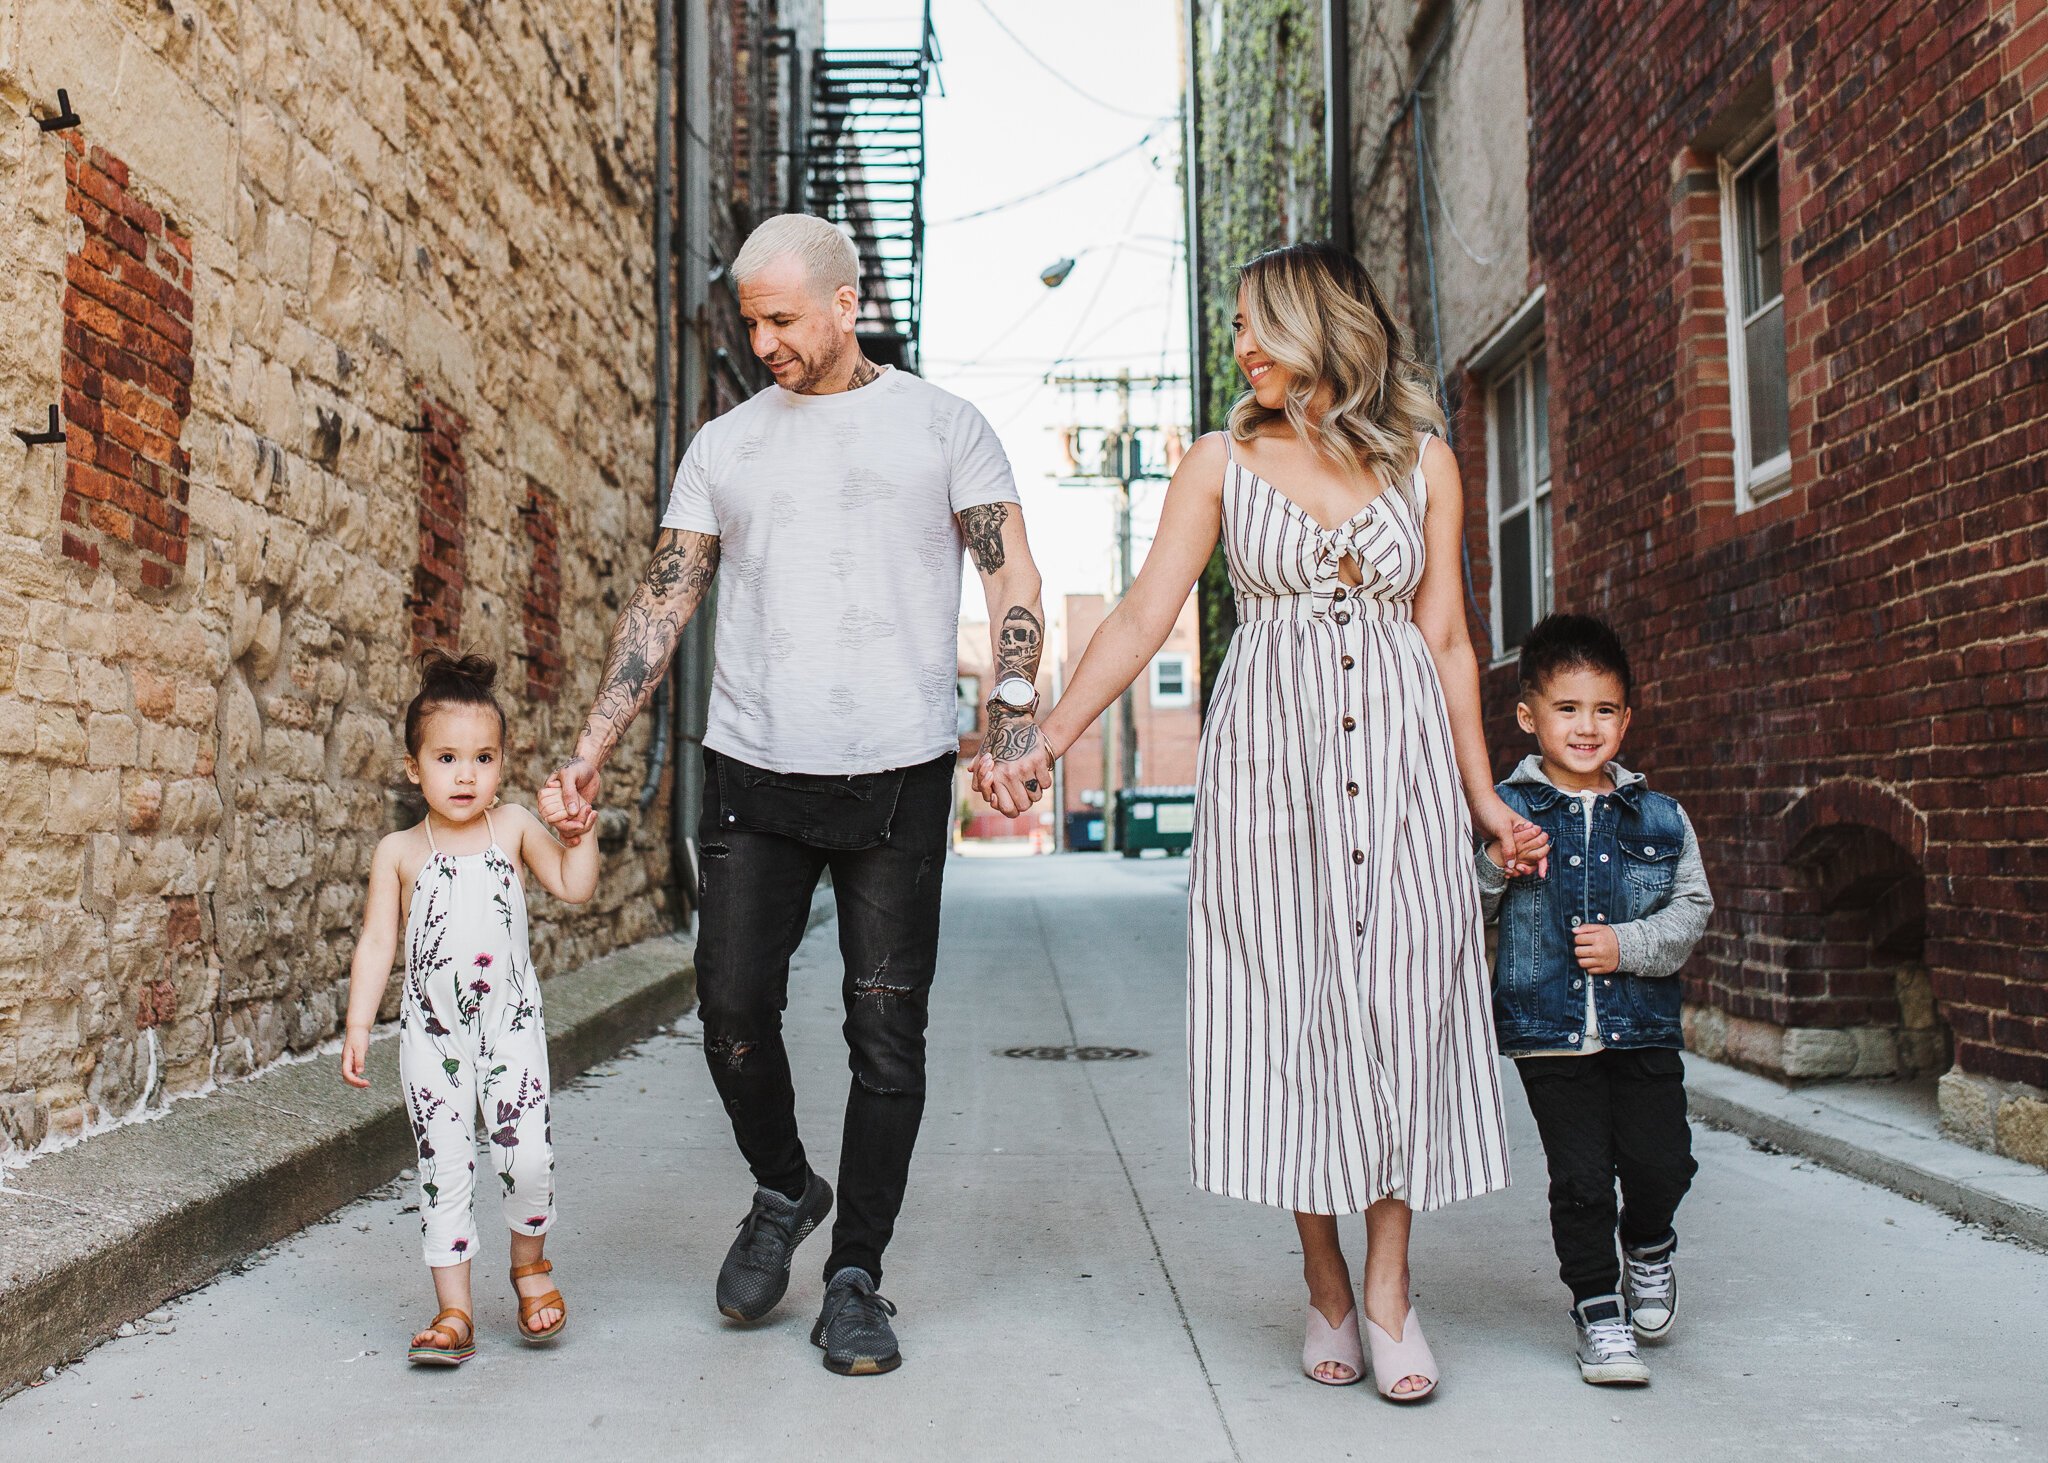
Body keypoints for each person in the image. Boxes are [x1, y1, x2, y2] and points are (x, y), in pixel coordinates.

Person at [980, 242, 1546, 1400]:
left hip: (1398, 772)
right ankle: (1325, 1279)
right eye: (1233, 323)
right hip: (1266, 779)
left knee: (1402, 1004)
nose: (1238, 343)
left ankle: (1389, 1290)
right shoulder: (1217, 461)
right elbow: (1142, 618)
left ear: (1323, 326)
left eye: (1258, 321)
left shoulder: (1426, 464)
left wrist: (1482, 793)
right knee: (1289, 1014)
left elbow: (1443, 635)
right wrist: (1040, 737)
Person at [542, 213, 1046, 1377]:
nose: (760, 339)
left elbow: (1010, 568)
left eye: (779, 318)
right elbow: (663, 600)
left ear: (842, 303)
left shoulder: (941, 426)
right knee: (728, 1013)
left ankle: (856, 1274)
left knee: (885, 1032)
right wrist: (590, 745)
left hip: (898, 772)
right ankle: (784, 1185)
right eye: (747, 321)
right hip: (754, 765)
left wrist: (1011, 713)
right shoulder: (725, 445)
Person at [341, 650, 600, 1366]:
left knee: (528, 1154)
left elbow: (574, 886)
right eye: (447, 756)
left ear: (502, 762)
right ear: (412, 765)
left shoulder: (512, 826)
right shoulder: (399, 850)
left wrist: (582, 833)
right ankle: (454, 1309)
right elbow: (376, 940)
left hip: (510, 1025)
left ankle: (529, 1264)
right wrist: (360, 1023)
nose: (465, 774)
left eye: (482, 757)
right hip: (431, 1033)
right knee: (444, 1164)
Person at [1473, 613, 1713, 1386]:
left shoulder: (1661, 817)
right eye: (1568, 708)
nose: (1586, 725)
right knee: (1579, 1179)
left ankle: (1648, 1245)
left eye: (1604, 709)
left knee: (1660, 1163)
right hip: (1548, 1032)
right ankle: (1598, 1313)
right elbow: (1455, 911)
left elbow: (1691, 908)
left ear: (1627, 717)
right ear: (1529, 715)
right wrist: (1492, 867)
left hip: (1641, 1028)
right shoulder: (1503, 813)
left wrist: (1629, 946)